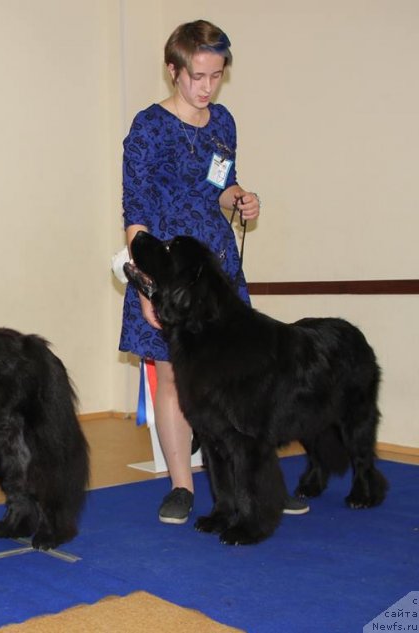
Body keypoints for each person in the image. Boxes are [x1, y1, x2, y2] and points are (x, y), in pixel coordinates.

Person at [119, 20, 307, 524]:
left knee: (244, 377)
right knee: (173, 376)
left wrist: (240, 198)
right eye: (197, 76)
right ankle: (182, 486)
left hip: (217, 268)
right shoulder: (148, 127)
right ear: (173, 70)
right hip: (166, 268)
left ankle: (259, 481)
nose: (207, 87)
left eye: (216, 76)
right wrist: (148, 288)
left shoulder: (223, 122)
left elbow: (219, 186)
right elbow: (135, 213)